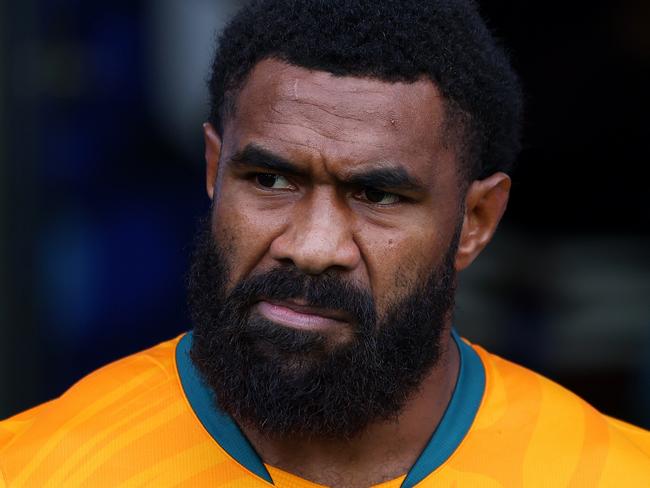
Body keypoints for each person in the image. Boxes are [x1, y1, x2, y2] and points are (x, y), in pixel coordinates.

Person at [1, 0, 649, 486]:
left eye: (377, 196)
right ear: (212, 171)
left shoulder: (606, 473)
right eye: (271, 180)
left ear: (476, 219)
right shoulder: (41, 467)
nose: (312, 248)